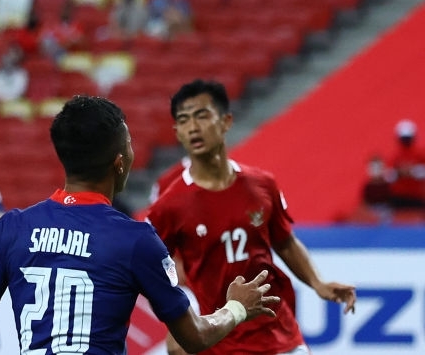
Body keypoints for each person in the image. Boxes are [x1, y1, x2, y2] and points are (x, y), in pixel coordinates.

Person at [0, 95, 280, 354]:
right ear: (119, 163)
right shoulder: (135, 240)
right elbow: (194, 337)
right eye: (128, 144)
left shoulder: (14, 228)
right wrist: (237, 307)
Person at [145, 79, 357, 355]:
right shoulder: (169, 205)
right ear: (177, 132)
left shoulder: (262, 185)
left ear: (226, 121)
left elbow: (285, 242)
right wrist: (180, 322)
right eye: (183, 121)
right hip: (219, 340)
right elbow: (149, 268)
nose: (193, 127)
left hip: (278, 334)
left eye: (202, 116)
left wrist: (318, 283)